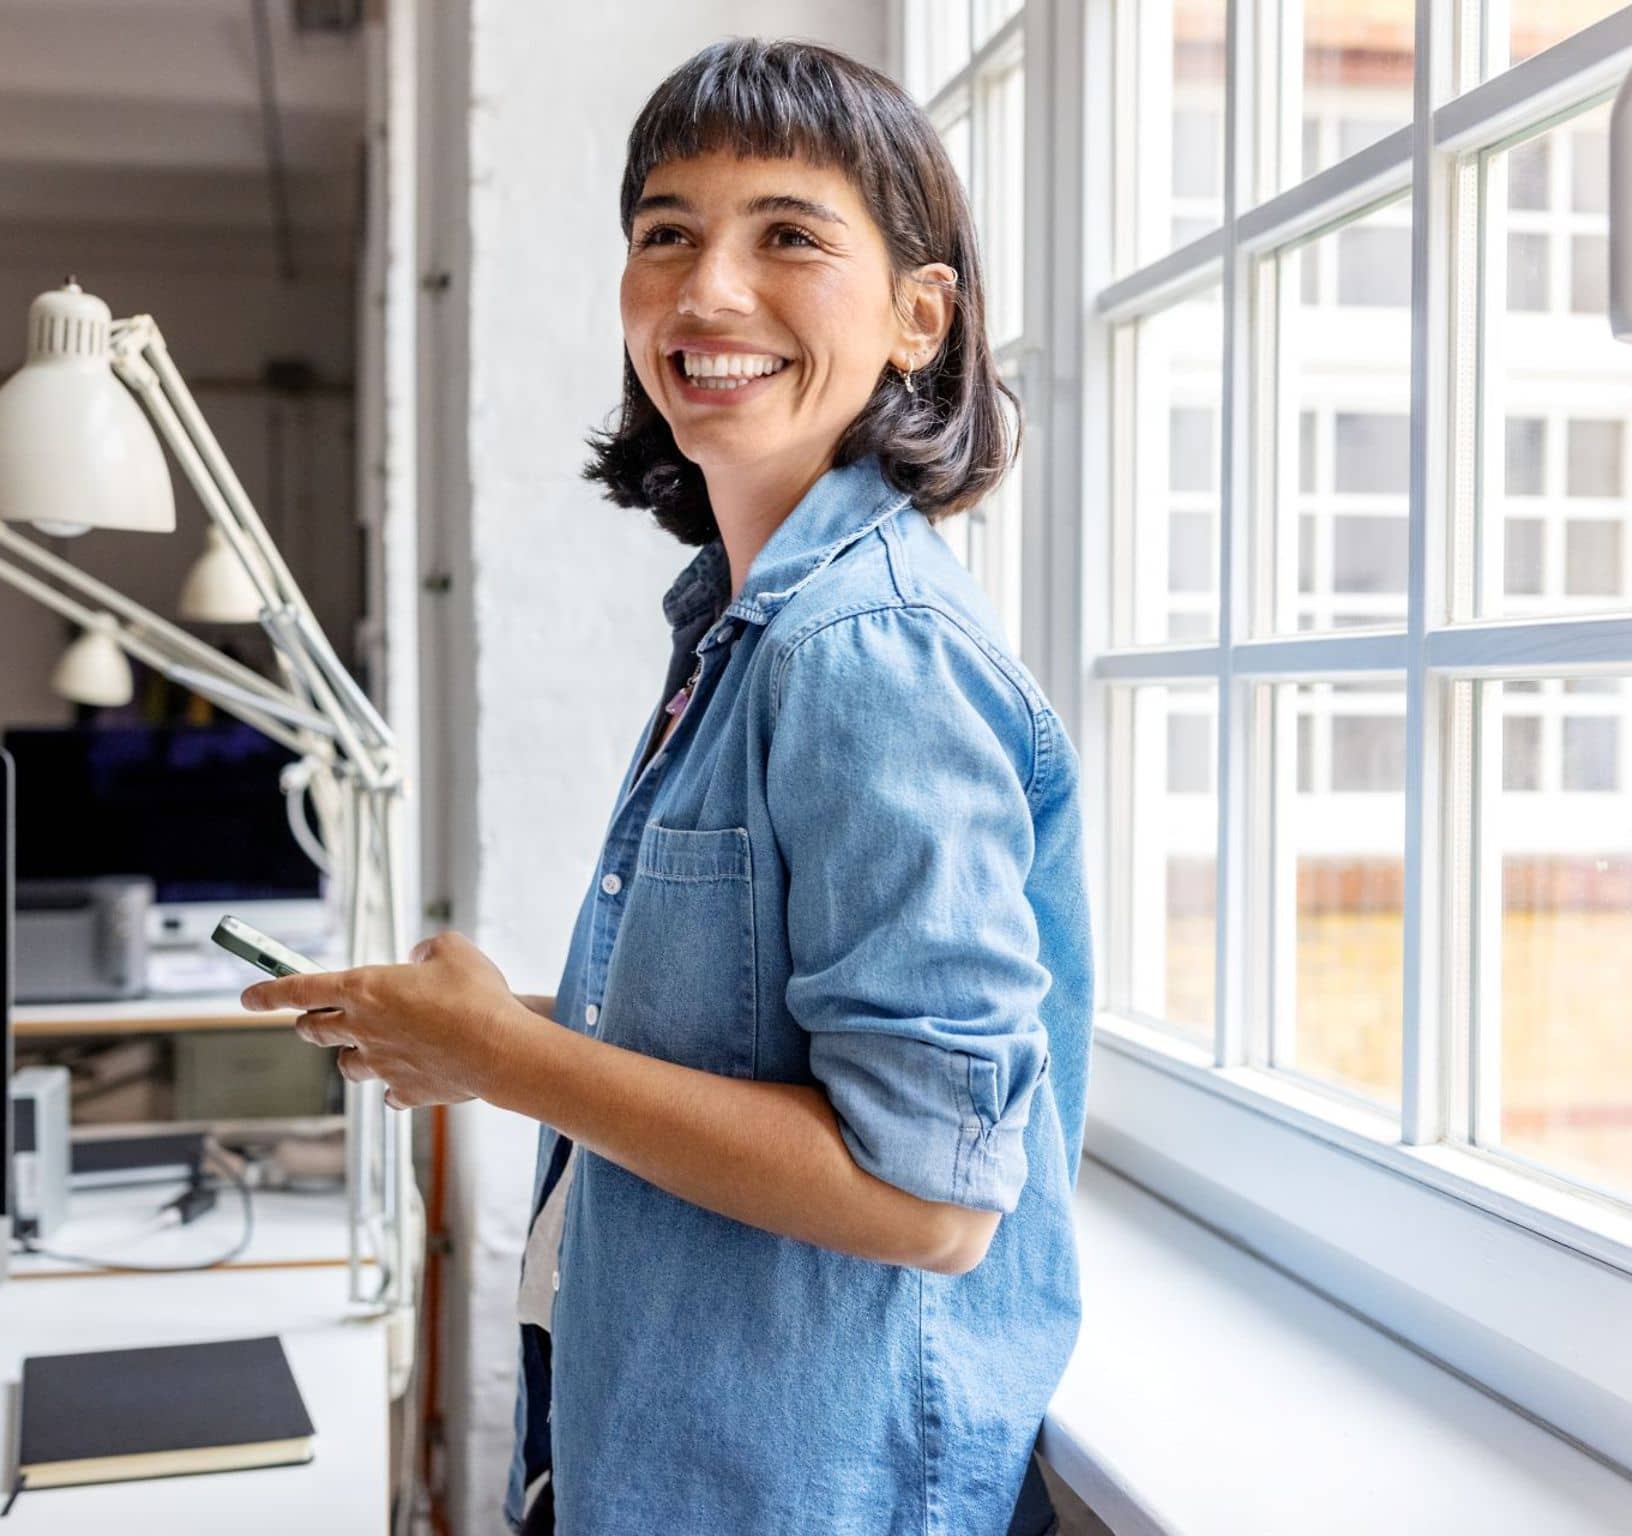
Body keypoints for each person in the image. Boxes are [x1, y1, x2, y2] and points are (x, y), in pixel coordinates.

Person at [240, 36, 1092, 1536]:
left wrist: (504, 1056)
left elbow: (933, 1203)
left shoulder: (867, 653)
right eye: (666, 233)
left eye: (788, 235)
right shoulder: (747, 625)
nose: (705, 291)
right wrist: (489, 1036)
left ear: (918, 314)